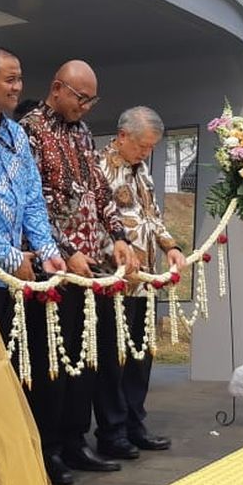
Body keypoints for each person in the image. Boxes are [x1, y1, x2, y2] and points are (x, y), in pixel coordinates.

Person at [0, 47, 71, 485]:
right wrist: (8, 257)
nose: (18, 87)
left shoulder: (19, 136)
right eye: (10, 79)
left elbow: (32, 200)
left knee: (8, 378)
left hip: (16, 278)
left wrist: (46, 250)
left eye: (20, 79)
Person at [20, 60, 139, 476]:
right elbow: (33, 204)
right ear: (57, 88)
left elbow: (100, 192)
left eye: (92, 101)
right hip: (54, 267)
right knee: (52, 361)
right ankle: (47, 447)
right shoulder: (30, 130)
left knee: (86, 358)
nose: (86, 108)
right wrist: (66, 249)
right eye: (81, 98)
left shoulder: (83, 133)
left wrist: (119, 237)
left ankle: (76, 440)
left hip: (92, 266)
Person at [93, 107, 186, 458]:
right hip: (114, 280)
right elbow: (96, 223)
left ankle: (135, 422)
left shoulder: (141, 170)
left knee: (141, 356)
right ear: (122, 136)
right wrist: (118, 254)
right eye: (142, 146)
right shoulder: (100, 169)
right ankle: (111, 431)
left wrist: (171, 246)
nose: (146, 153)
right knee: (113, 359)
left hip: (146, 279)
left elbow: (152, 216)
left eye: (151, 148)